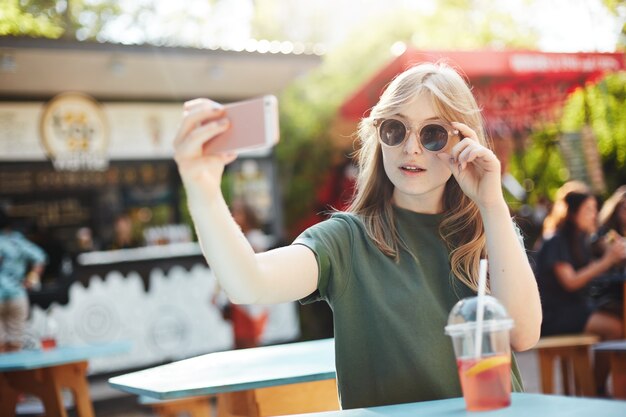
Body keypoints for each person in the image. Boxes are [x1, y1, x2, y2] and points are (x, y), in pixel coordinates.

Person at [174, 62, 542, 408]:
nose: (411, 147)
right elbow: (248, 283)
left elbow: (524, 335)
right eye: (395, 128)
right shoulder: (346, 240)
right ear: (379, 136)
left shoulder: (490, 231)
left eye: (433, 133)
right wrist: (203, 190)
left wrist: (492, 204)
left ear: (464, 141)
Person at [535, 191, 626, 395]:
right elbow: (571, 282)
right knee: (614, 328)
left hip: (574, 308)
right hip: (554, 315)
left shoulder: (580, 240)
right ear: (571, 213)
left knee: (619, 319)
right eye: (588, 210)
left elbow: (592, 267)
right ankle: (596, 390)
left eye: (595, 209)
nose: (594, 215)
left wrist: (608, 251)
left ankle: (596, 388)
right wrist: (607, 261)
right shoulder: (555, 241)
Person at [212, 199, 271, 349]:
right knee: (240, 342)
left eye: (238, 213)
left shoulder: (254, 240)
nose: (234, 216)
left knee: (248, 343)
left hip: (250, 301)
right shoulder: (239, 239)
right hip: (240, 299)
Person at [0, 208, 47, 352]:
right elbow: (40, 258)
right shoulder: (18, 241)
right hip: (18, 296)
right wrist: (31, 279)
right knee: (16, 343)